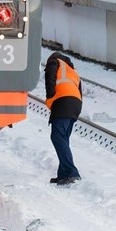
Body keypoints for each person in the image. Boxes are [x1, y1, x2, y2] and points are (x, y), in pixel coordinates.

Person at [44, 52, 83, 185]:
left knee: (57, 137)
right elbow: (80, 90)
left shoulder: (54, 61)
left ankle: (72, 172)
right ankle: (63, 174)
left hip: (63, 101)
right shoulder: (72, 70)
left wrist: (50, 96)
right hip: (76, 104)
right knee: (63, 138)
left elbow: (50, 77)